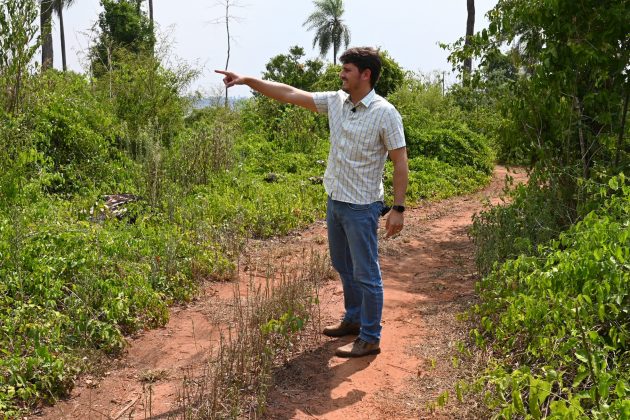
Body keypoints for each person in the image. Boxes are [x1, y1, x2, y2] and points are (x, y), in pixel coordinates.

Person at [216, 47, 408, 358]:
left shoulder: (385, 113)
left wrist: (398, 209)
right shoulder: (336, 101)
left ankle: (371, 336)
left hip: (362, 207)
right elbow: (290, 93)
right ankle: (354, 318)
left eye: (347, 70)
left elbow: (400, 161)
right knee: (343, 266)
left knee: (367, 274)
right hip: (336, 202)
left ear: (365, 74)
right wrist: (248, 80)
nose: (341, 74)